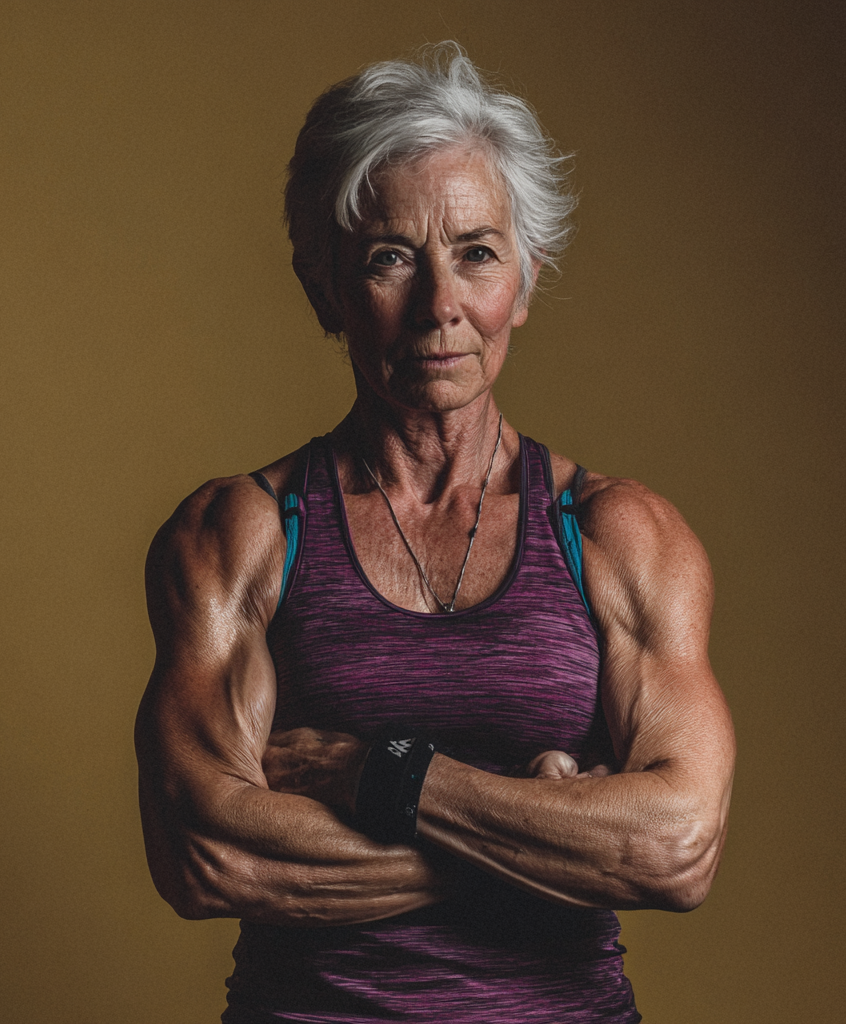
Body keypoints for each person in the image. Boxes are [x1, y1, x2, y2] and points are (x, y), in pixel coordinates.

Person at [135, 44, 735, 1024]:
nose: (440, 304)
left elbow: (670, 846)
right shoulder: (239, 535)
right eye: (388, 257)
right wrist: (543, 832)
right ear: (324, 287)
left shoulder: (617, 534)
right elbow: (208, 858)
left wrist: (370, 772)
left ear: (526, 283)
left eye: (476, 252)